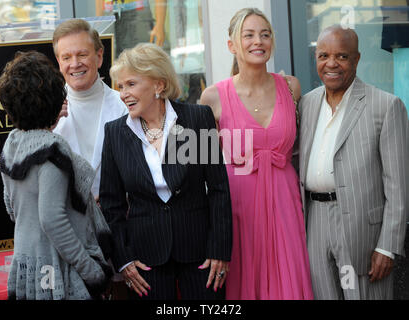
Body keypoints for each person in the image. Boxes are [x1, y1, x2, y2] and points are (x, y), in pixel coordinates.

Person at [99, 43, 232, 300]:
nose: (124, 94)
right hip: (146, 258)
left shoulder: (197, 119)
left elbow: (218, 189)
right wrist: (124, 259)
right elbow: (111, 203)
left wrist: (220, 249)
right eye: (121, 86)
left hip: (201, 252)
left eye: (131, 84)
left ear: (159, 85)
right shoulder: (115, 132)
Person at [200, 8, 313, 300]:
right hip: (239, 205)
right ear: (232, 45)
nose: (258, 41)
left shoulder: (291, 87)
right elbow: (202, 166)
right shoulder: (212, 97)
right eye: (248, 35)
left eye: (264, 35)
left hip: (286, 202)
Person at [298, 25, 409, 300]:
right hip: (315, 221)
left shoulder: (386, 106)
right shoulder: (306, 104)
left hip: (362, 228)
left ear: (357, 59)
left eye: (342, 56)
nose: (331, 64)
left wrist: (387, 247)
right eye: (324, 55)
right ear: (316, 59)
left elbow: (399, 185)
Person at [0, 51, 112, 300]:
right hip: (58, 268)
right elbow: (52, 219)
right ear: (53, 98)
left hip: (26, 263)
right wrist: (91, 270)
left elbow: (11, 209)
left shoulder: (12, 144)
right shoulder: (52, 152)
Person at [52, 18, 128, 201]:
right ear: (59, 62)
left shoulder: (125, 106)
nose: (75, 63)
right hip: (66, 222)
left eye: (82, 54)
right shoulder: (46, 112)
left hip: (118, 219)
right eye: (67, 57)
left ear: (99, 56)